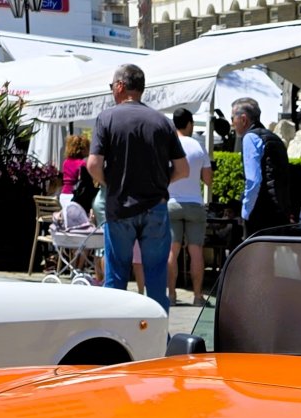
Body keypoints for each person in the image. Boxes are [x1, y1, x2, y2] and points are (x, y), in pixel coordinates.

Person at [87, 63, 188, 310]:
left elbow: (93, 165)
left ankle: (114, 330)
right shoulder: (162, 122)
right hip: (155, 207)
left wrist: (111, 183)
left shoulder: (107, 118)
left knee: (116, 277)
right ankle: (158, 331)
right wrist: (161, 182)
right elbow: (183, 169)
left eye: (112, 86)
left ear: (120, 86)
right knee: (156, 278)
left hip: (120, 206)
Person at [167, 108, 213, 307]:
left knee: (172, 251)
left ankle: (171, 296)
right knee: (196, 251)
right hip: (194, 203)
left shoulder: (168, 145)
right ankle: (197, 296)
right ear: (190, 124)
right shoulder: (198, 146)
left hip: (171, 203)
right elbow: (208, 180)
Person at [231, 97, 290, 237]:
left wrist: (245, 212)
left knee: (253, 251)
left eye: (232, 118)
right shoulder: (274, 138)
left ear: (243, 119)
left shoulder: (250, 138)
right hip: (280, 210)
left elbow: (253, 180)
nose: (231, 123)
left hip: (261, 213)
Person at [59, 132, 90, 199]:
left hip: (63, 194)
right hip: (74, 195)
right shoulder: (82, 164)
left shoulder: (66, 162)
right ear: (82, 149)